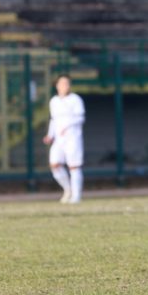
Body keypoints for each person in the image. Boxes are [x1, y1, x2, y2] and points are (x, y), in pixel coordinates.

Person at [43, 75, 85, 204]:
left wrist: (67, 127)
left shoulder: (75, 99)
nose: (64, 86)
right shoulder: (54, 101)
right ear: (57, 85)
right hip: (59, 140)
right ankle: (68, 189)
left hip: (73, 138)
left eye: (67, 83)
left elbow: (80, 118)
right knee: (54, 165)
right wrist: (50, 135)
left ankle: (76, 196)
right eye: (62, 83)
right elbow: (53, 120)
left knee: (74, 166)